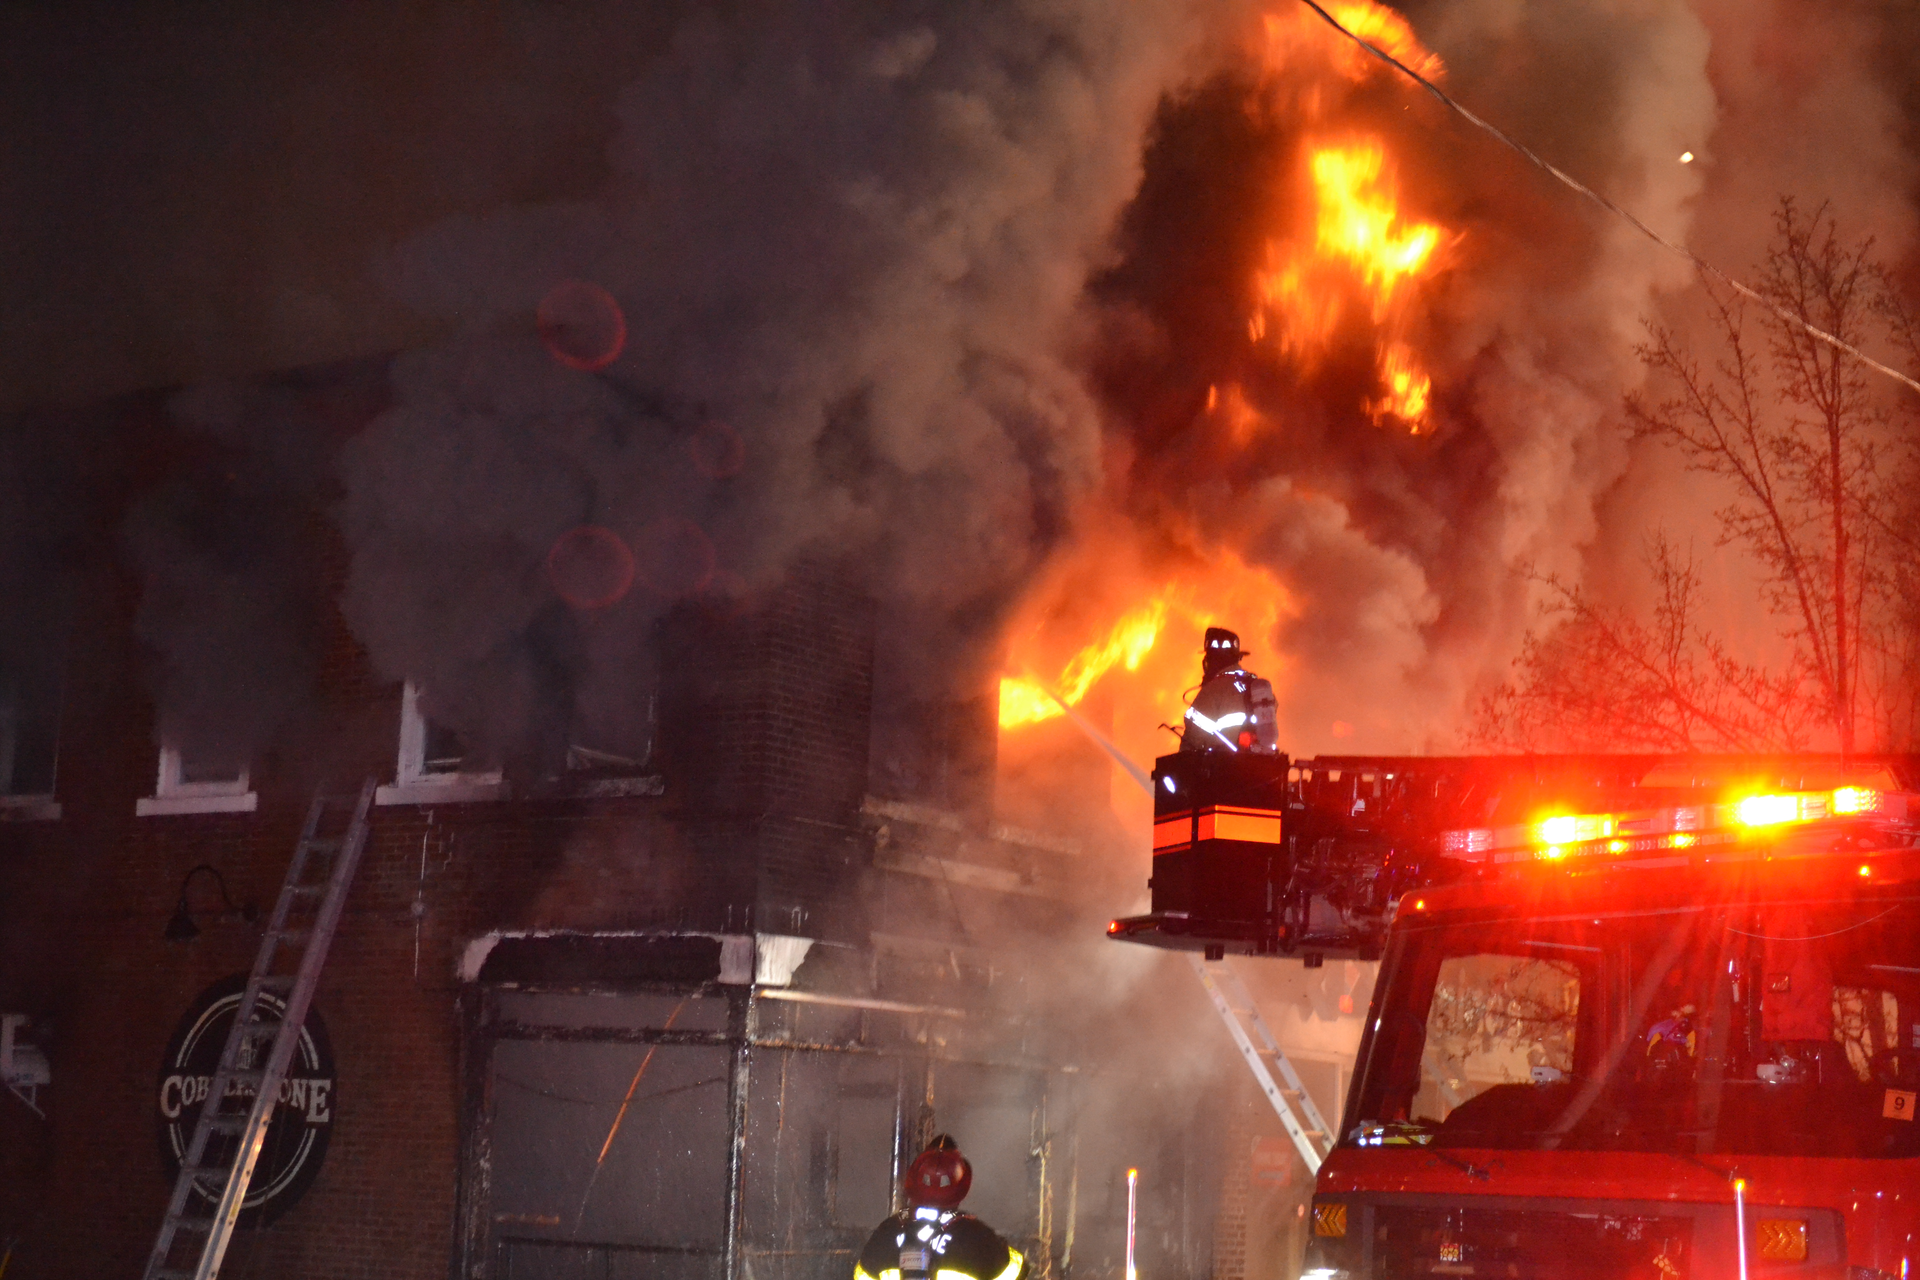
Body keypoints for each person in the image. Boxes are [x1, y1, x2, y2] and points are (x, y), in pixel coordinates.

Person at [853, 1136, 1024, 1280]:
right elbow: (1018, 1270)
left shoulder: (887, 1232)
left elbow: (861, 1275)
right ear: (961, 1186)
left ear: (913, 1181)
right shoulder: (977, 1238)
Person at [1180, 627, 1278, 754]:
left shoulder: (1213, 690)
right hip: (1260, 766)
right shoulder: (1256, 686)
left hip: (1224, 768)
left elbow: (1193, 738)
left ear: (1211, 661)